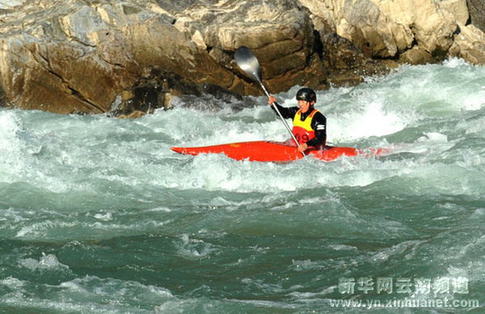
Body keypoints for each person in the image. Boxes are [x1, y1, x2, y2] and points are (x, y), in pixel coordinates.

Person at [267, 87, 327, 153]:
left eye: (303, 101)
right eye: (299, 101)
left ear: (312, 102)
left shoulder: (318, 117)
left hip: (312, 149)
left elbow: (321, 137)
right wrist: (274, 104)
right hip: (295, 145)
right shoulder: (295, 111)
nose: (300, 104)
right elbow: (282, 112)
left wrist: (306, 145)